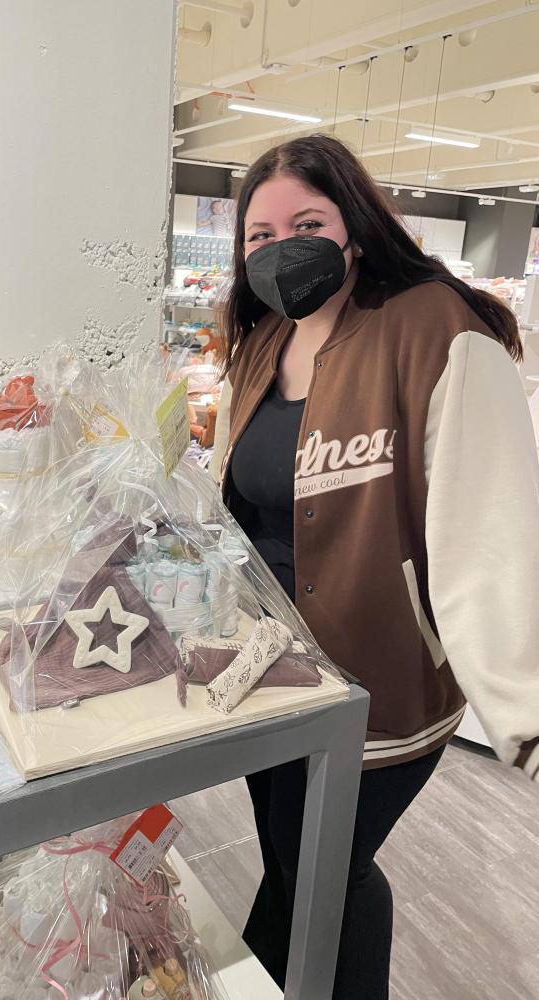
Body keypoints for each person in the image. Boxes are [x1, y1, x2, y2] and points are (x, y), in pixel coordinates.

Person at [212, 134, 539, 999]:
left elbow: (492, 533)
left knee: (328, 871)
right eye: (259, 235)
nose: (280, 248)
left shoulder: (434, 330)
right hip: (264, 678)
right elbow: (234, 500)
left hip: (376, 685)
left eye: (307, 223)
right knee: (295, 863)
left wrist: (528, 714)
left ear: (354, 227)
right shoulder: (262, 343)